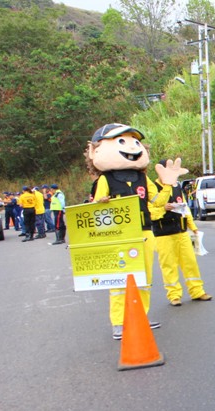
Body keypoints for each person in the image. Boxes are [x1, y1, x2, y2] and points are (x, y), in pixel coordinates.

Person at [87, 123, 181, 340]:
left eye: (135, 142)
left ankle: (141, 316)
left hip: (145, 232)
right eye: (121, 142)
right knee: (120, 281)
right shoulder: (105, 179)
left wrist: (167, 186)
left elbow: (156, 200)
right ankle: (118, 322)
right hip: (118, 236)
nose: (131, 147)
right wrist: (101, 203)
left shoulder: (142, 178)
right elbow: (94, 210)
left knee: (144, 279)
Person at [149, 159, 212, 306]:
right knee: (169, 266)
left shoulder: (177, 187)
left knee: (190, 263)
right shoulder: (153, 188)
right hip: (163, 234)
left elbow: (185, 209)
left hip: (182, 232)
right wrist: (164, 209)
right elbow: (150, 212)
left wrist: (193, 227)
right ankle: (174, 295)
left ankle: (197, 291)